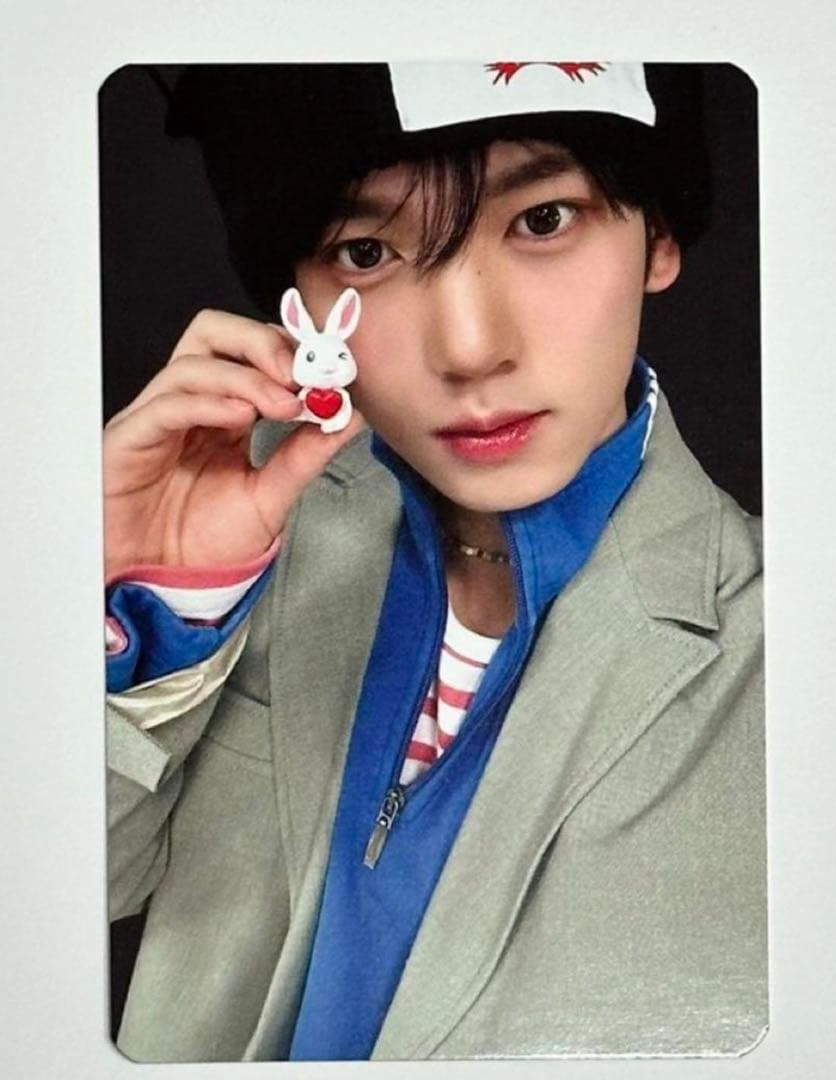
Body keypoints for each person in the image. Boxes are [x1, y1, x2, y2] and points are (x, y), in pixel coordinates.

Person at [103, 61, 766, 1062]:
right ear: (299, 301)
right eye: (365, 252)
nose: (467, 348)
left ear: (658, 237)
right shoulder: (235, 515)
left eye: (542, 221)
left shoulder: (789, 657)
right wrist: (151, 612)